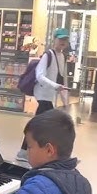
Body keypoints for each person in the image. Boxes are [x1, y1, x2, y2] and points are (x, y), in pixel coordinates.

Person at [16, 28, 70, 162]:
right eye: (60, 39)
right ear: (54, 40)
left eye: (65, 40)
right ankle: (29, 153)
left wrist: (64, 99)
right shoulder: (48, 55)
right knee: (46, 124)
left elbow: (60, 78)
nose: (63, 42)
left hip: (50, 96)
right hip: (43, 95)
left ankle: (25, 152)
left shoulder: (62, 56)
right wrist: (55, 86)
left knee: (38, 125)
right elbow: (39, 76)